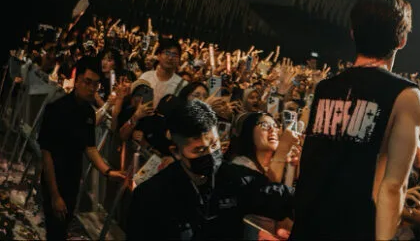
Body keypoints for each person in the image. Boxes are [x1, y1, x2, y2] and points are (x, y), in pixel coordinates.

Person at [291, 0, 420, 240]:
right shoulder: (406, 96)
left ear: (353, 33)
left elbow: (310, 164)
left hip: (306, 227)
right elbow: (393, 186)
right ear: (402, 40)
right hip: (354, 229)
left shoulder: (325, 88)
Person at [126, 100, 295, 239]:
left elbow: (285, 199)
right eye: (199, 150)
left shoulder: (236, 178)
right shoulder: (151, 196)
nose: (211, 156)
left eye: (214, 145)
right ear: (176, 152)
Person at [37, 56, 126, 240]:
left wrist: (108, 172)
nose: (92, 88)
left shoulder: (88, 112)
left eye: (96, 84)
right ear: (77, 81)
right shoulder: (56, 109)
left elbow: (90, 147)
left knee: (63, 227)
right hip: (54, 177)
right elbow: (46, 154)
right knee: (55, 230)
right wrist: (55, 195)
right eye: (87, 82)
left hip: (73, 177)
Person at [226, 111, 300, 182]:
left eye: (275, 126)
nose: (273, 130)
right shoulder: (239, 166)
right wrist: (282, 150)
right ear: (248, 132)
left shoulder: (282, 163)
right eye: (265, 125)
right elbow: (269, 188)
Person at [138, 38, 186, 106]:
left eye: (174, 55)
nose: (170, 58)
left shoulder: (182, 85)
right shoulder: (145, 77)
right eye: (167, 53)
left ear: (179, 59)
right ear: (158, 56)